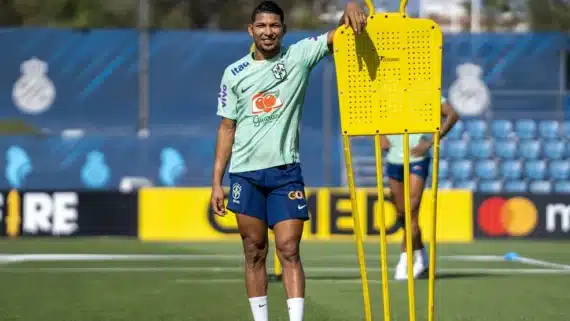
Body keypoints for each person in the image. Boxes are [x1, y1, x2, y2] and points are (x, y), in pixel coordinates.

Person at [210, 1, 368, 321]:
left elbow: (338, 34)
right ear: (251, 30)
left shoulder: (299, 56)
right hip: (245, 174)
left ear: (284, 29)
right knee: (254, 251)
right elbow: (227, 127)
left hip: (286, 174)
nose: (269, 32)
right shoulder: (234, 74)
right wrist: (216, 181)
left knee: (289, 249)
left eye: (275, 26)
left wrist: (351, 5)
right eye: (262, 26)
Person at [381, 97, 459, 281]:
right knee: (402, 214)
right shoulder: (388, 92)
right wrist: (382, 136)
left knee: (411, 209)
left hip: (417, 159)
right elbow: (377, 117)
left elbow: (452, 115)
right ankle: (421, 256)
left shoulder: (428, 91)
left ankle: (404, 260)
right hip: (394, 159)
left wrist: (430, 141)